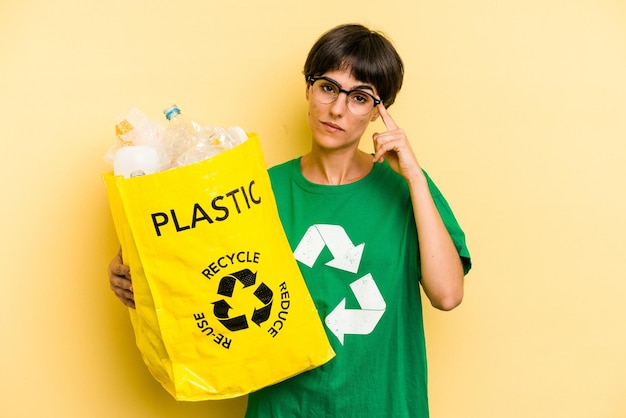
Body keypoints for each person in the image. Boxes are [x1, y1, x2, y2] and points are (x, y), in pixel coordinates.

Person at [109, 23, 472, 417]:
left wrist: (416, 177)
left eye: (360, 97)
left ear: (377, 113)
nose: (337, 109)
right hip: (285, 408)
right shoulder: (257, 190)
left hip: (382, 405)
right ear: (308, 89)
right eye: (328, 87)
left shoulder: (408, 190)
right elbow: (199, 271)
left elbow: (447, 296)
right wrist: (135, 273)